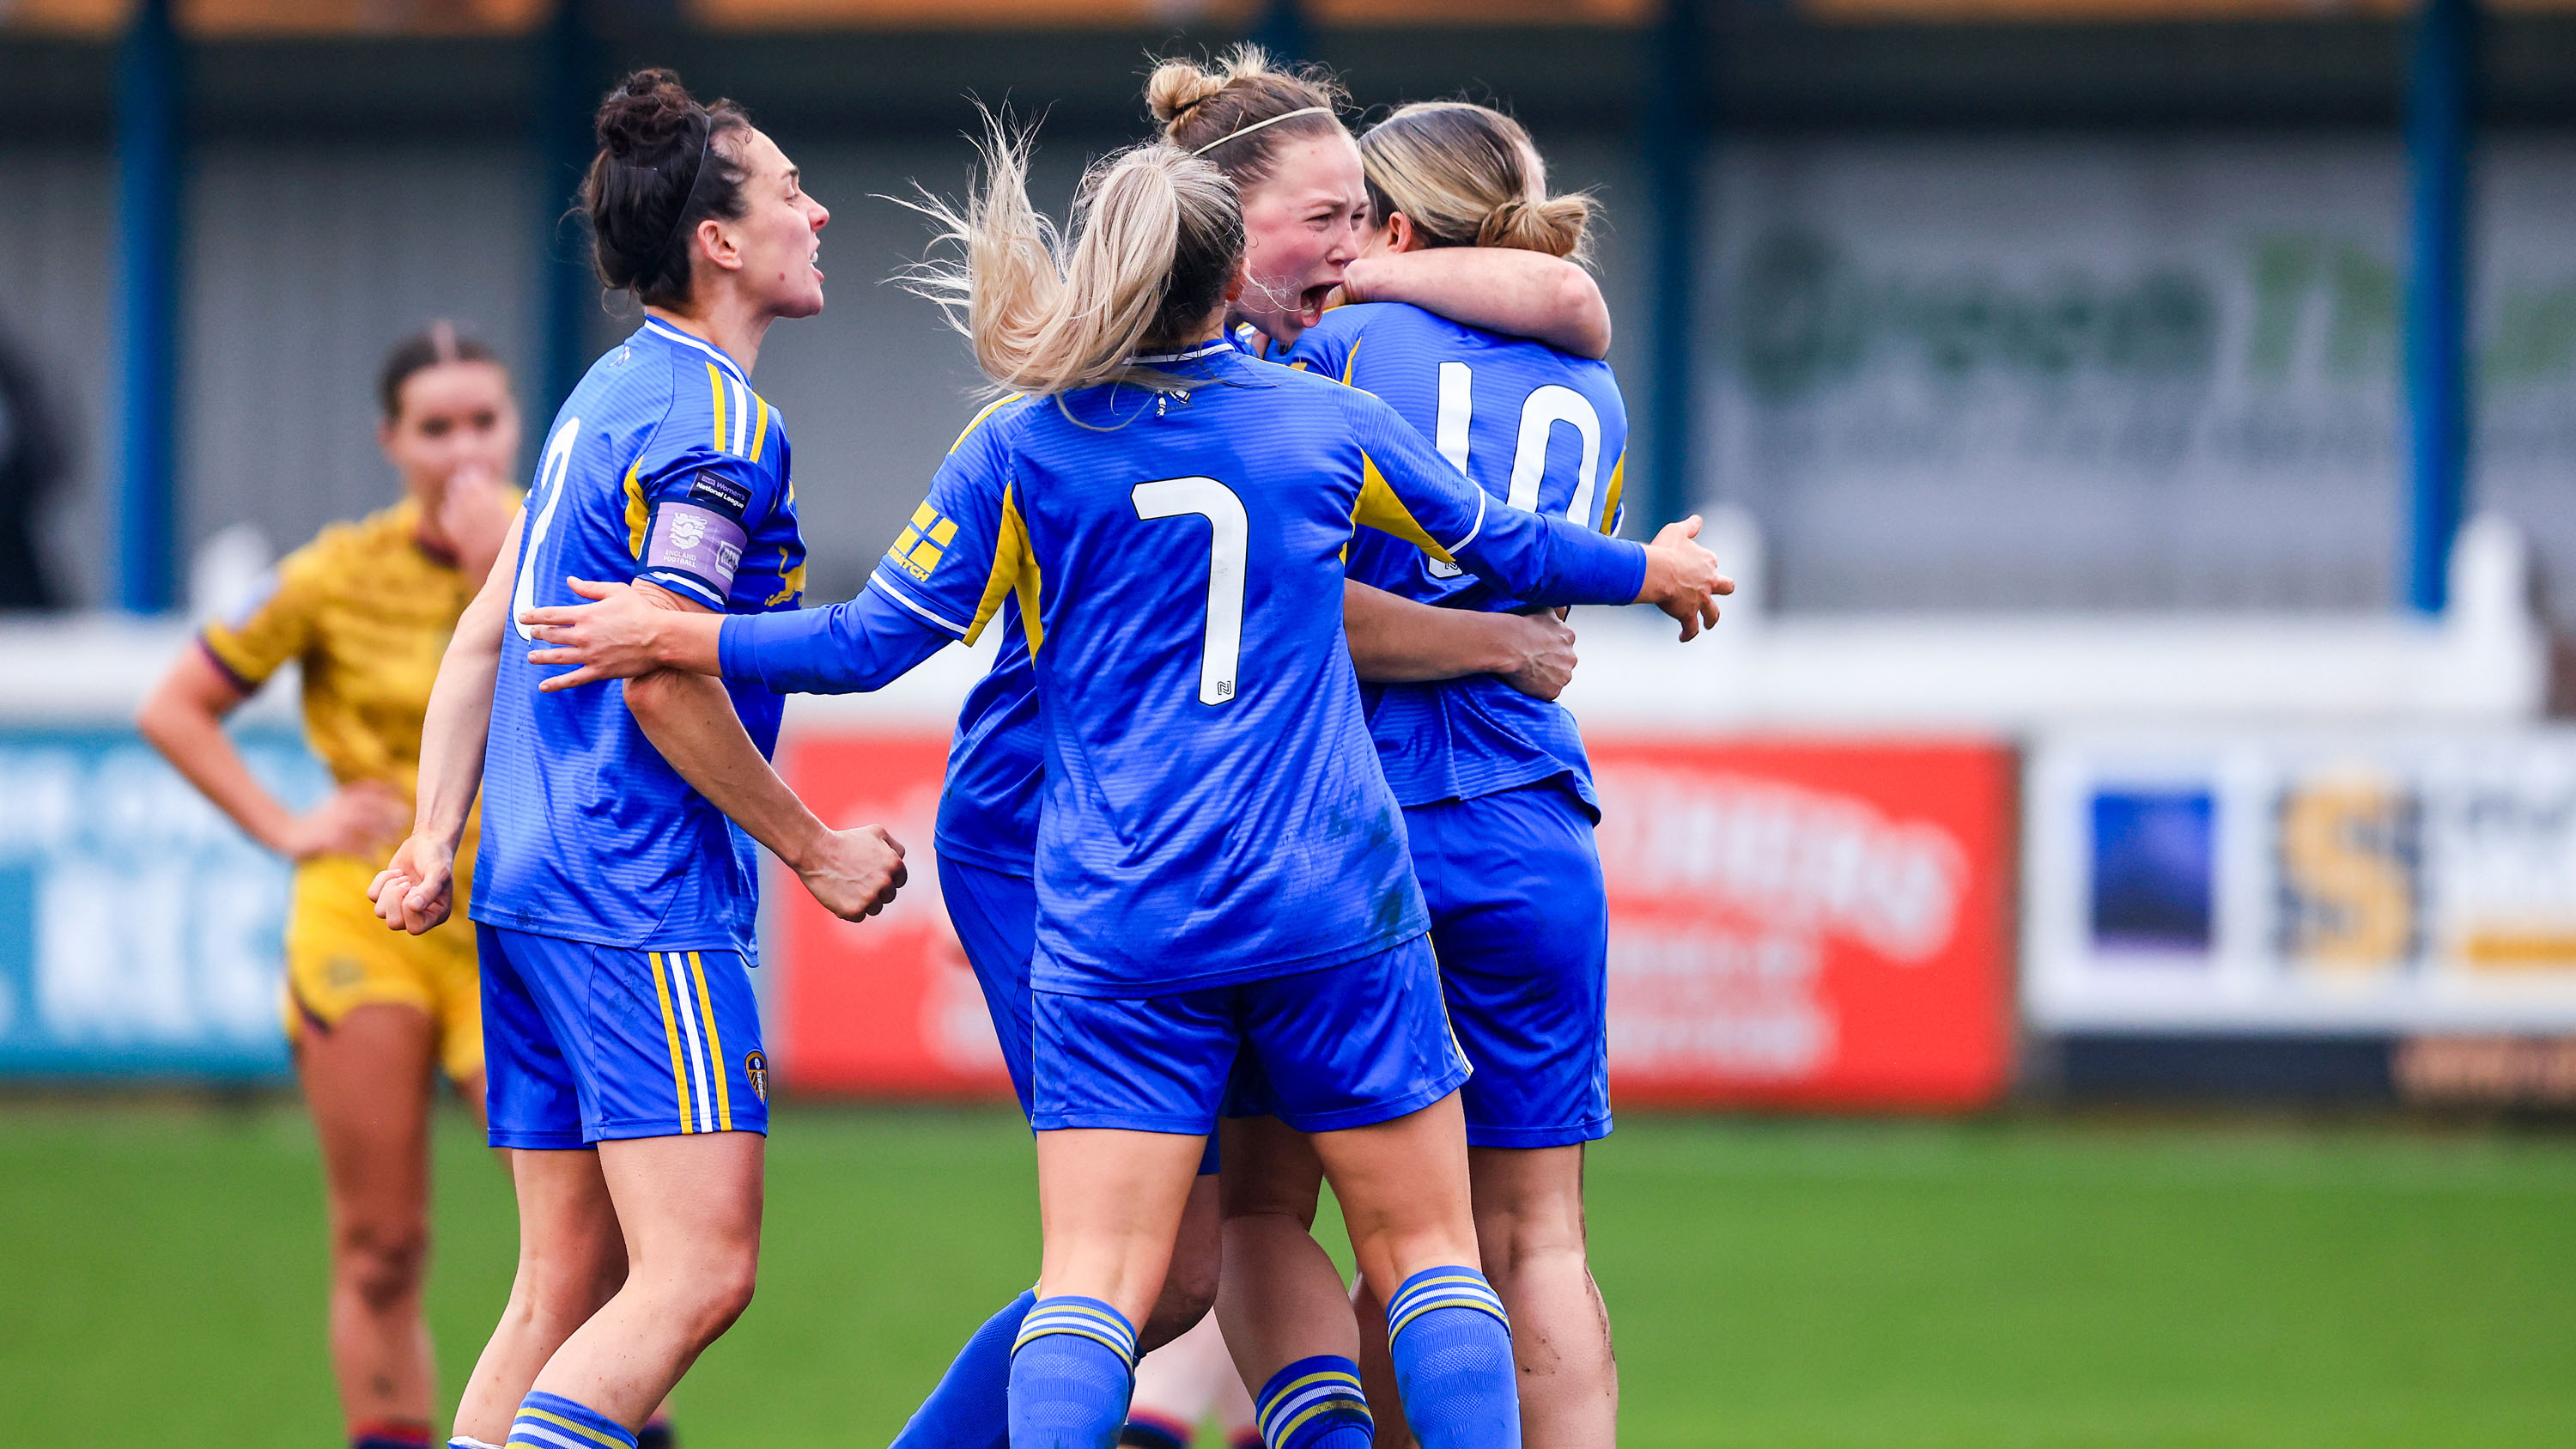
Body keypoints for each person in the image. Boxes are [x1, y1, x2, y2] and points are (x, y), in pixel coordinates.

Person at [513, 118, 1729, 1449]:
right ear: (1229, 282)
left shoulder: (1021, 448)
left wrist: (682, 632)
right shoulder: (1328, 420)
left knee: (1098, 1284)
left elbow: (867, 646)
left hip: (1124, 911)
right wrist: (1650, 572)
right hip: (1330, 899)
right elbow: (1506, 539)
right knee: (1431, 1250)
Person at [884, 46, 1618, 1449]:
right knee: (1164, 1267)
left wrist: (1374, 279)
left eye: (1374, 216)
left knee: (1198, 1262)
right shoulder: (1139, 402)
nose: (1362, 244)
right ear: (1220, 230)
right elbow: (1296, 602)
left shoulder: (1290, 360)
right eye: (1331, 219)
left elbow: (1562, 294)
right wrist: (1498, 636)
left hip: (1202, 846)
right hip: (1068, 837)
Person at [367, 70, 904, 1449]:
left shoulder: (604, 395)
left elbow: (488, 633)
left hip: (532, 884)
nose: (818, 209)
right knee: (699, 1274)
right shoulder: (719, 431)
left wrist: (439, 833)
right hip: (639, 894)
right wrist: (818, 847)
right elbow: (667, 676)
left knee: (567, 1284)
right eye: (791, 191)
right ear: (718, 240)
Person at [1273, 101, 1635, 1449]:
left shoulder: (1340, 344)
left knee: (1402, 1244)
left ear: (1396, 226)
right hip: (1535, 816)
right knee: (1541, 1234)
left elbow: (1304, 604)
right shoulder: (1587, 383)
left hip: (1366, 829)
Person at [137, 324, 521, 1449]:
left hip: (519, 921)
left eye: (483, 421)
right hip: (372, 918)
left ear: (517, 428)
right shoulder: (335, 573)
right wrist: (288, 826)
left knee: (591, 1233)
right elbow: (175, 707)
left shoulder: (563, 548)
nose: (461, 448)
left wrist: (509, 557)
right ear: (390, 441)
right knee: (383, 1245)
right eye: (435, 426)